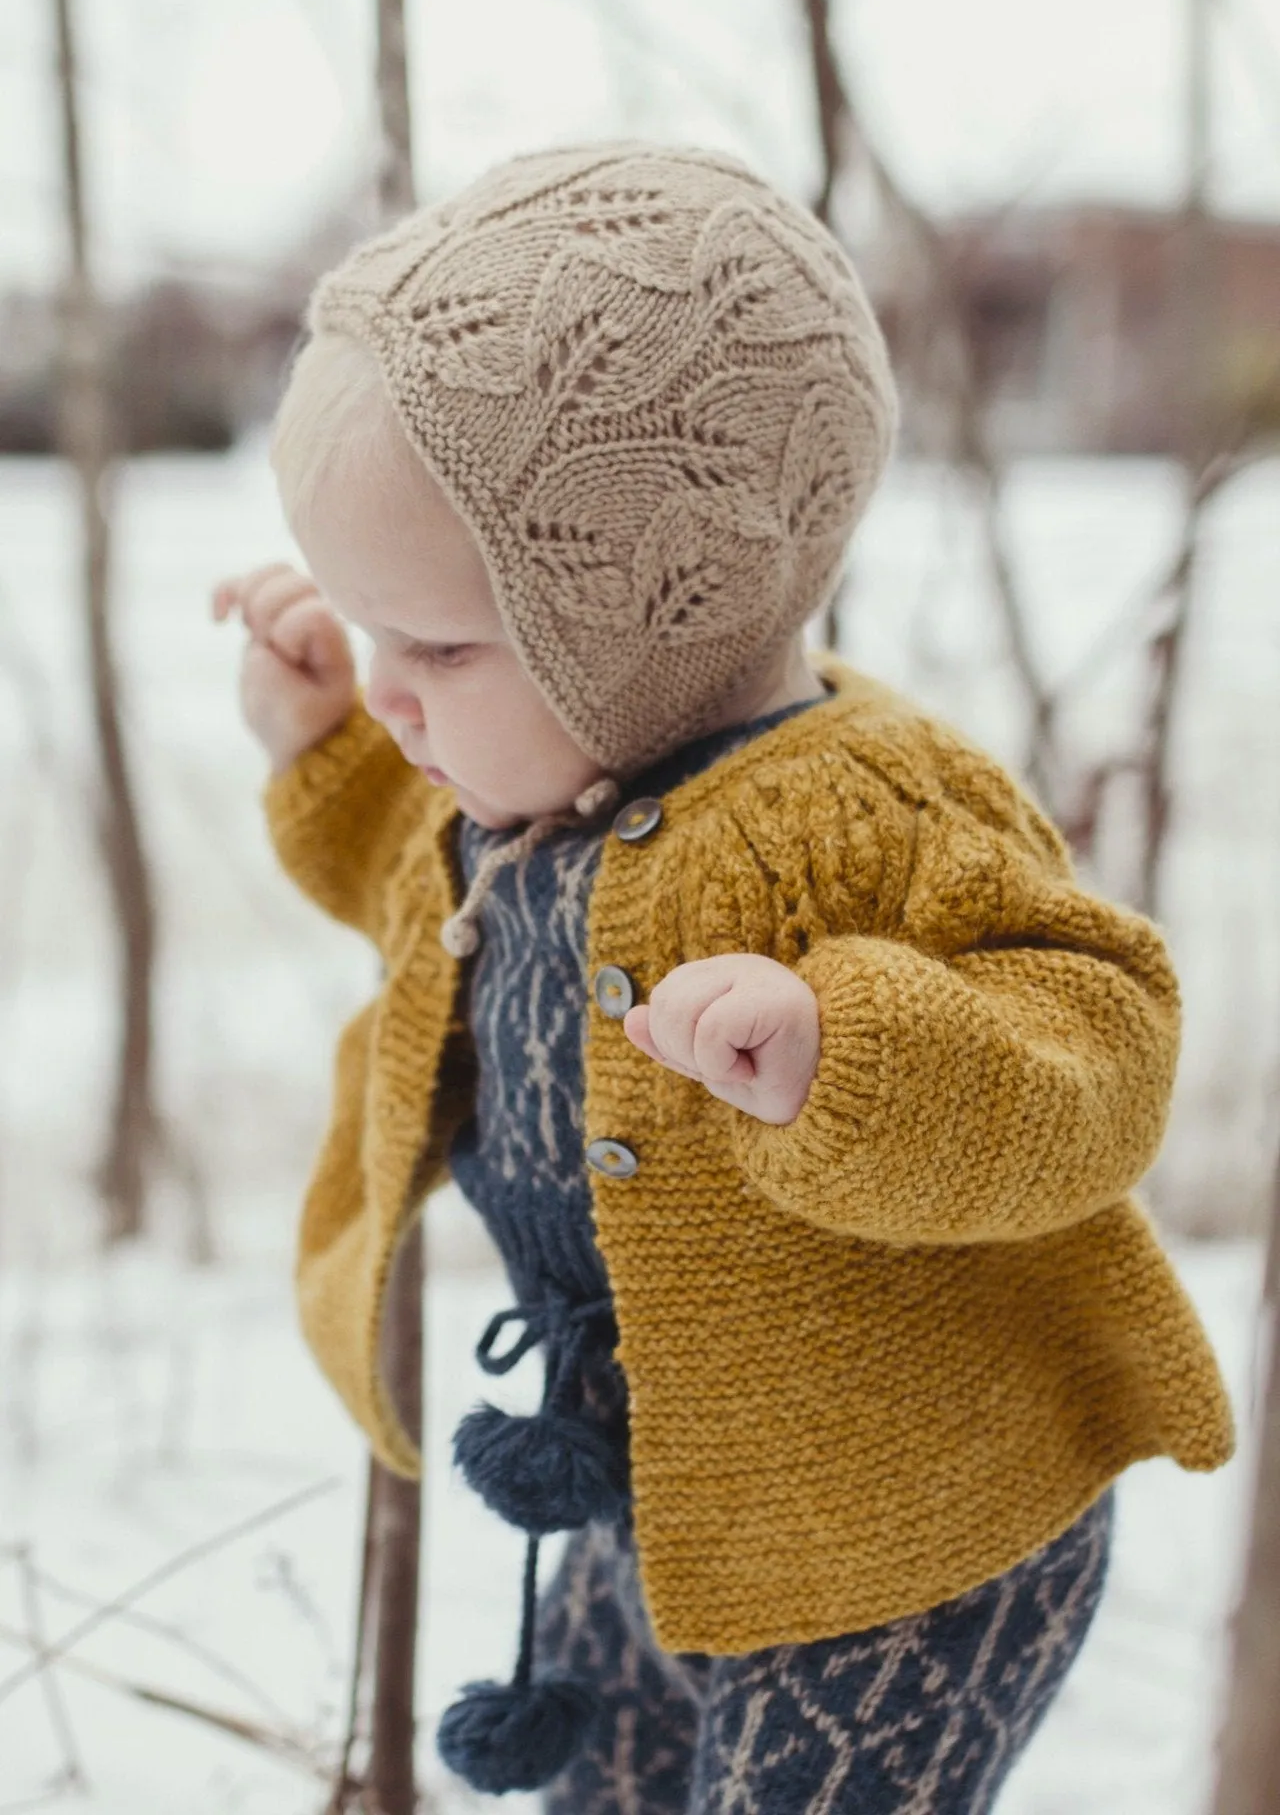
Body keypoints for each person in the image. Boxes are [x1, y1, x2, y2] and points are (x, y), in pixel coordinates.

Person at [212, 142, 1233, 1814]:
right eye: (372, 633)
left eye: (440, 648)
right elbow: (432, 919)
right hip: (672, 1491)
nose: (398, 691)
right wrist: (327, 740)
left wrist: (857, 1056)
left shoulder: (867, 803)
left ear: (638, 613)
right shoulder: (530, 784)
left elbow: (1098, 1047)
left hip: (905, 1548)